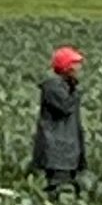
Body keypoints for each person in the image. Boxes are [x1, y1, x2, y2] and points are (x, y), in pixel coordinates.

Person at [33, 46, 88, 192]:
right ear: (67, 68)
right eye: (76, 64)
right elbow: (65, 107)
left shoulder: (65, 87)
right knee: (59, 188)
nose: (79, 68)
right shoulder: (53, 87)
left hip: (66, 151)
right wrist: (75, 90)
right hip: (58, 152)